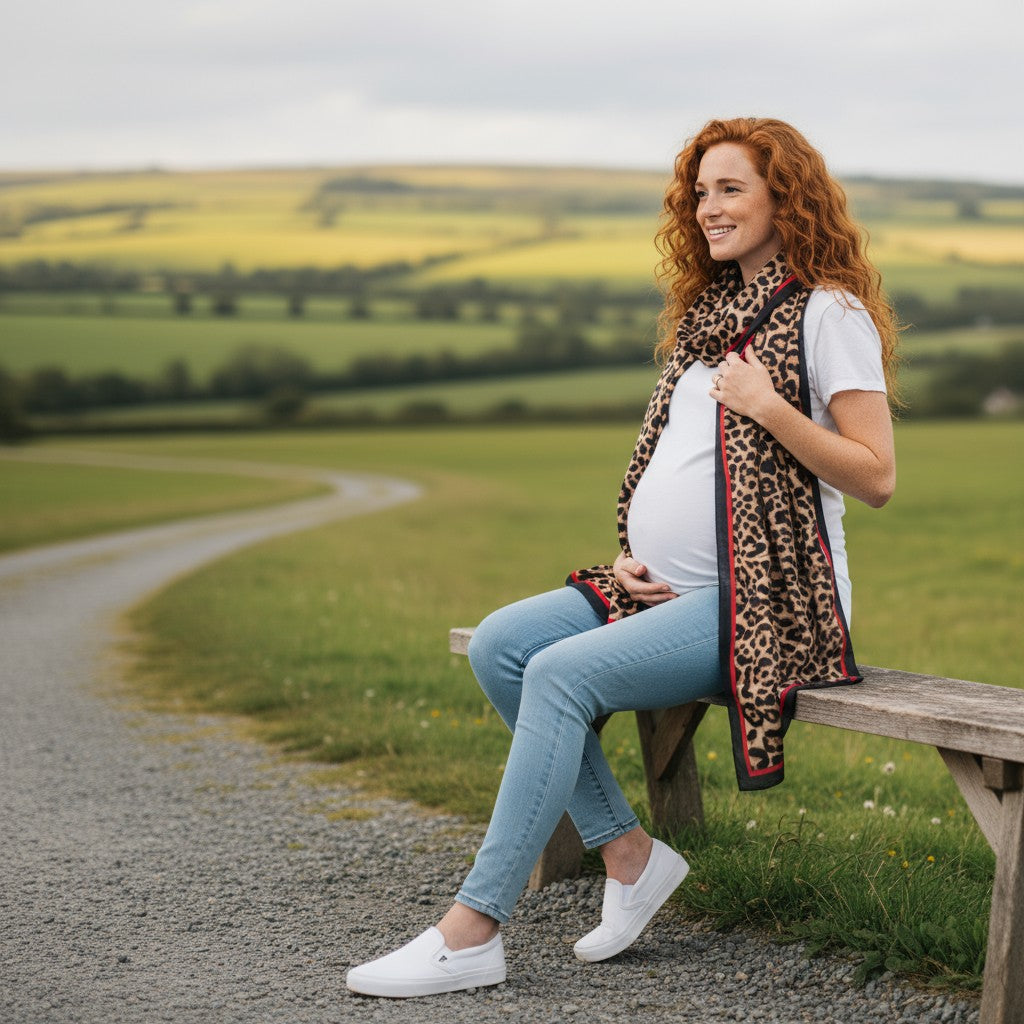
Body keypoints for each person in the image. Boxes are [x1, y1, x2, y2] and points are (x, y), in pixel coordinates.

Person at [346, 116, 899, 998]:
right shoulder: (708, 317)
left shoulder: (829, 313)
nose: (708, 207)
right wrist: (632, 550)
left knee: (560, 675)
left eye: (732, 189)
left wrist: (771, 408)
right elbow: (681, 458)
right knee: (501, 645)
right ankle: (632, 857)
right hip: (664, 588)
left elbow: (876, 476)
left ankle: (472, 930)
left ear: (783, 198)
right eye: (700, 191)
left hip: (770, 599)